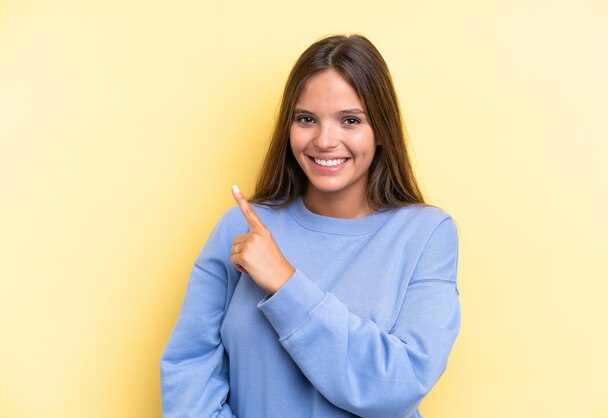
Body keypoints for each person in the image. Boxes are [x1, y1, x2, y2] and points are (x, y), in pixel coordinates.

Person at [160, 33, 461, 418]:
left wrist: (285, 283)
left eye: (350, 120)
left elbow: (398, 383)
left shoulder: (426, 235)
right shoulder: (243, 226)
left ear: (381, 130)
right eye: (306, 119)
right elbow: (189, 369)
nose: (324, 140)